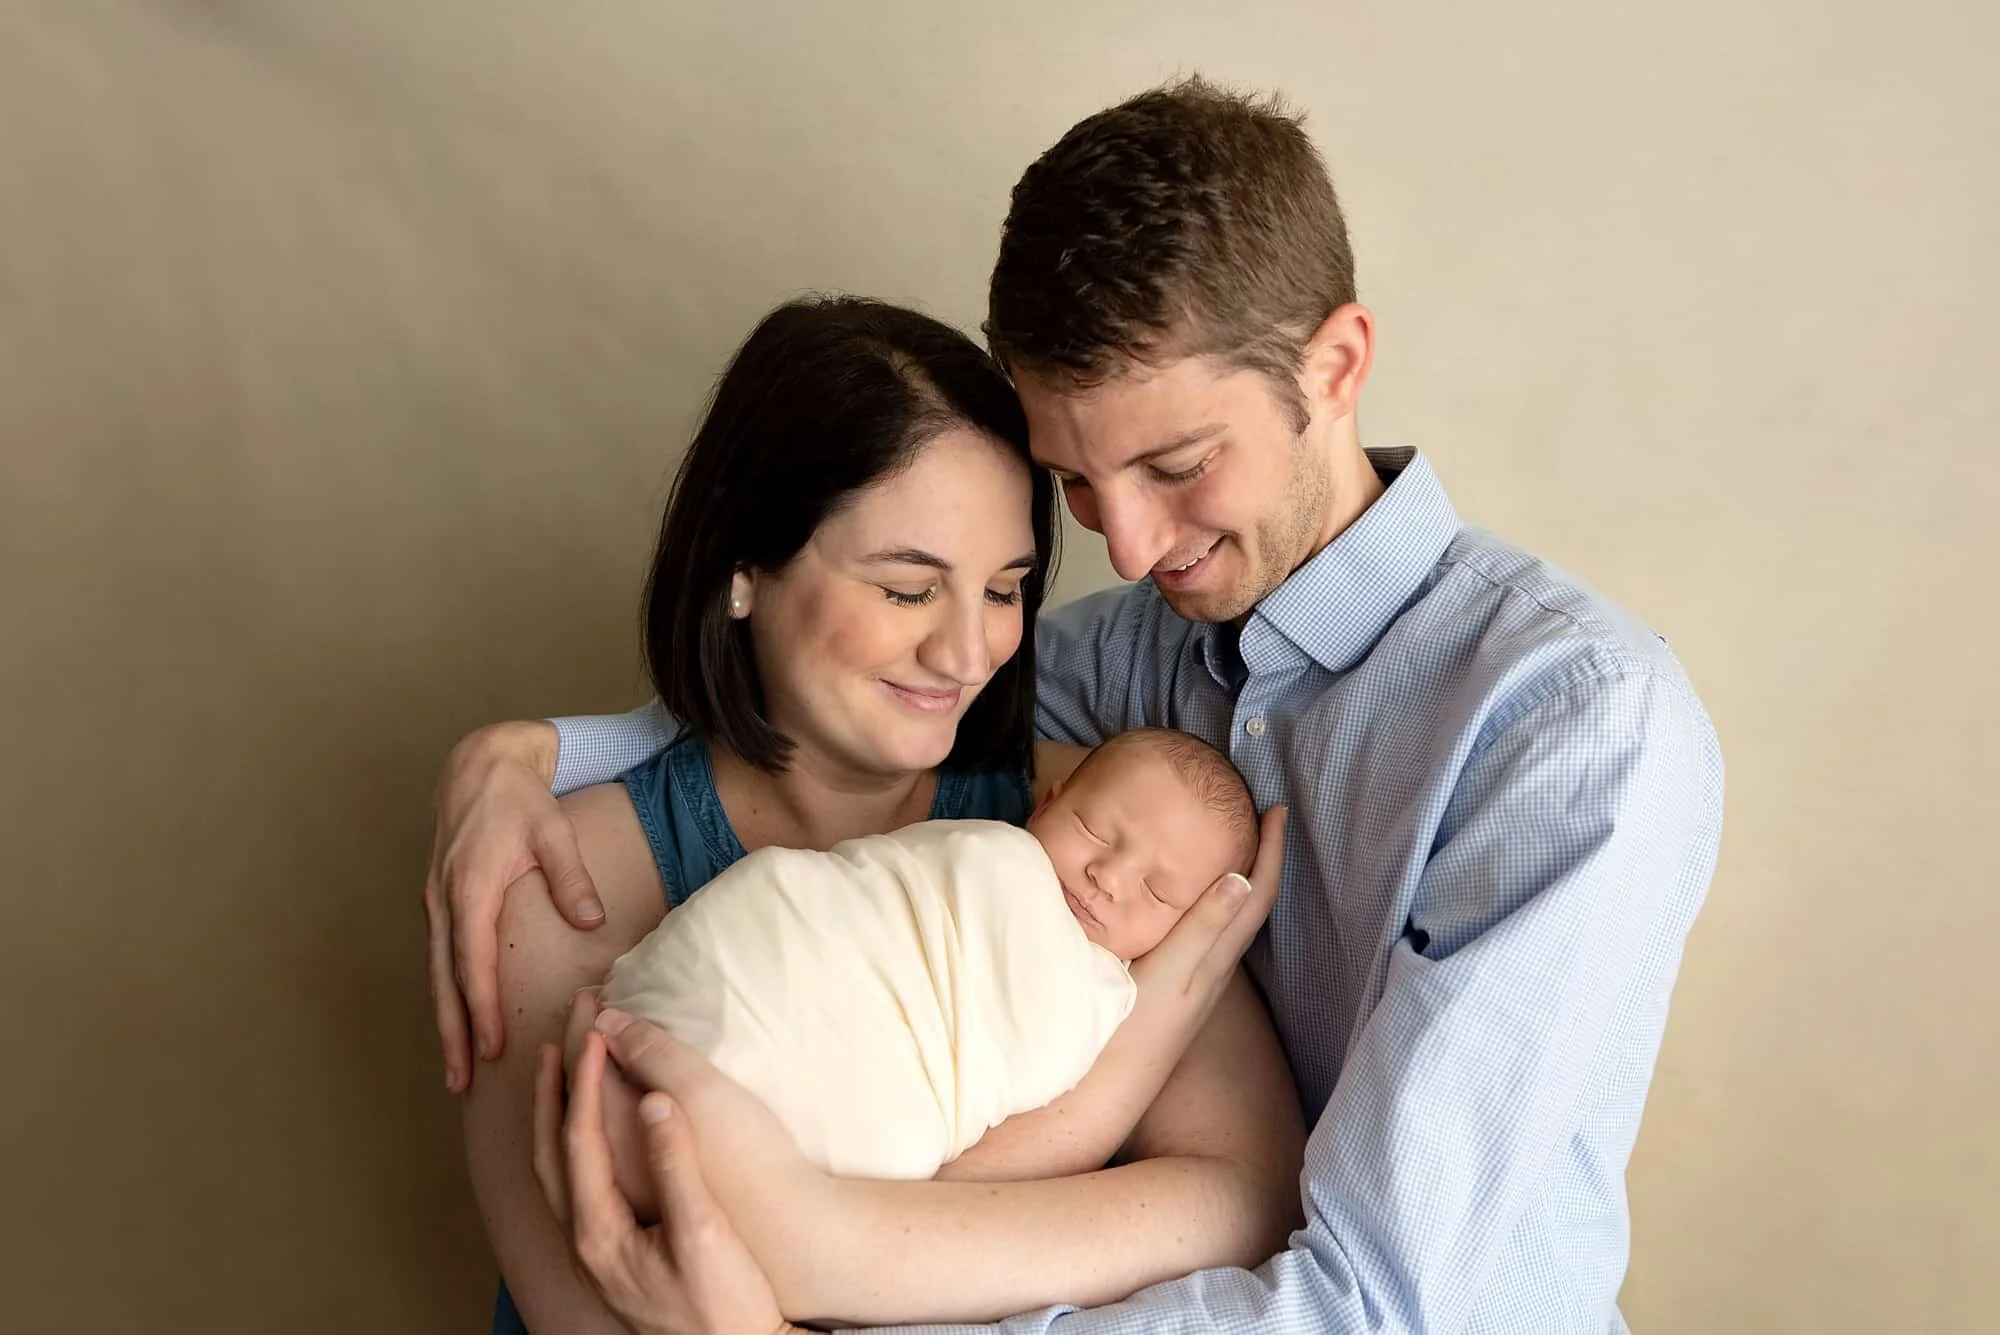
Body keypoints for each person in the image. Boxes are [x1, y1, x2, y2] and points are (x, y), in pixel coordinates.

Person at [431, 77, 1725, 1333]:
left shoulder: (1567, 723)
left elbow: (1369, 1300)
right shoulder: (1108, 665)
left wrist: (807, 1261)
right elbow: (844, 708)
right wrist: (527, 753)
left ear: (1336, 365)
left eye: (1176, 464)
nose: (1129, 544)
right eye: (1079, 485)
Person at [456, 292, 1302, 1334]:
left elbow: (1242, 1198)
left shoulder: (1096, 819)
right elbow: (581, 1308)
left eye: (1004, 591)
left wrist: (809, 1251)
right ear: (742, 568)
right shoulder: (562, 876)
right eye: (907, 590)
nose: (967, 654)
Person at [579, 726, 1259, 1215]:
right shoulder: (989, 850)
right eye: (1097, 830)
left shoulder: (1105, 994)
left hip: (868, 1081)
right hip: (791, 942)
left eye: (1157, 891)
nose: (1106, 876)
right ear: (1046, 804)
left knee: (860, 1122)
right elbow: (870, 887)